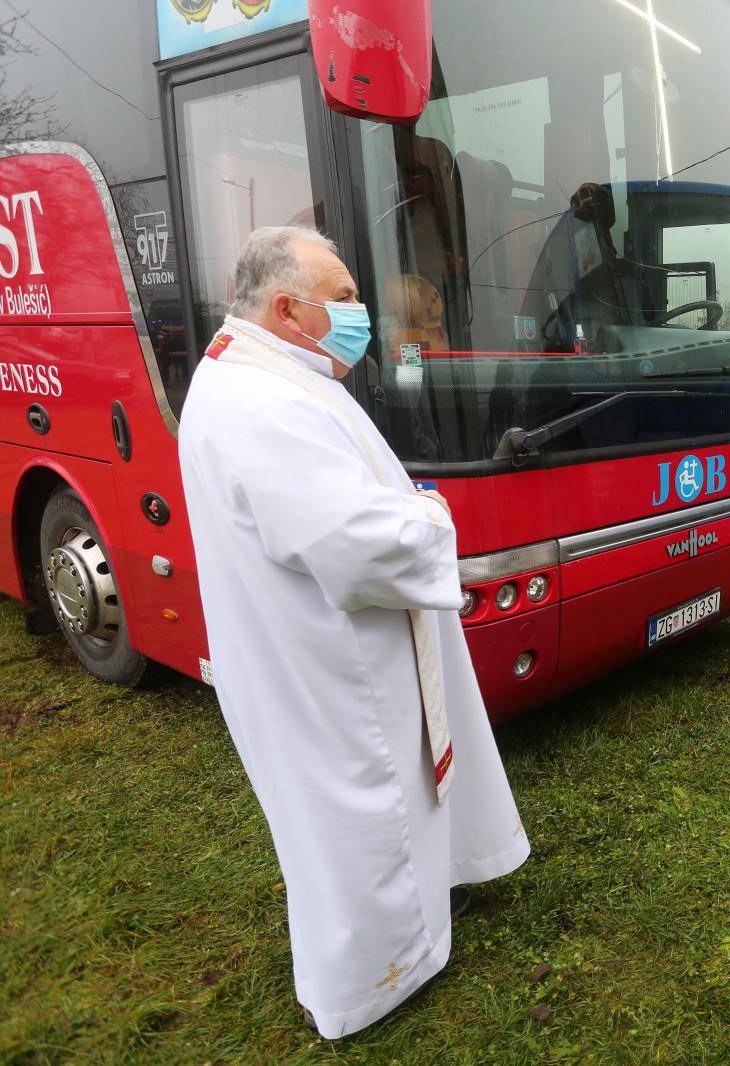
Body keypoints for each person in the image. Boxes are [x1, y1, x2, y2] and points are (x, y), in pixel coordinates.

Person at [178, 227, 529, 1040]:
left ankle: (436, 894)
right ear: (287, 307)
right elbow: (352, 540)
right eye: (342, 299)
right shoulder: (261, 403)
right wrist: (431, 517)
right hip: (331, 663)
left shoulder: (272, 371)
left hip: (322, 642)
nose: (360, 314)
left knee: (400, 788)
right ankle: (379, 973)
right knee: (362, 808)